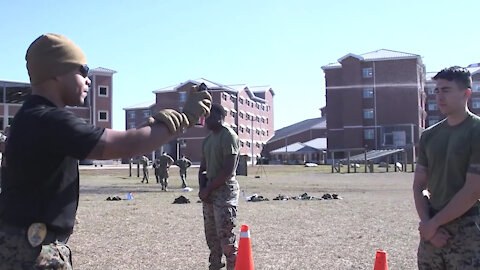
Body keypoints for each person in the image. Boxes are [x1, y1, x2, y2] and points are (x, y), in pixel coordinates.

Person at [0, 33, 211, 269]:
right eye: (83, 70)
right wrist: (186, 118)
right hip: (33, 254)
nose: (88, 79)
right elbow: (124, 145)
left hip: (20, 244)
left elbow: (124, 140)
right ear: (57, 73)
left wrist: (151, 128)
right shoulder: (50, 120)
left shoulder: (32, 116)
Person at [413, 66, 480, 269]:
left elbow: (473, 190)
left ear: (466, 93)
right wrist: (429, 226)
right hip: (432, 230)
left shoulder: (476, 131)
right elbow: (419, 186)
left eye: (447, 90)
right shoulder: (429, 135)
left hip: (467, 228)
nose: (439, 97)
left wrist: (432, 225)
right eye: (437, 91)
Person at [198, 104, 240, 270]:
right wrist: (203, 189)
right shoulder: (208, 139)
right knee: (212, 237)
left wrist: (208, 189)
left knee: (225, 236)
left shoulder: (228, 135)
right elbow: (203, 168)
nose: (204, 120)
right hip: (209, 191)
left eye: (207, 116)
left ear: (218, 116)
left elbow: (228, 170)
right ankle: (215, 266)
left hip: (224, 192)